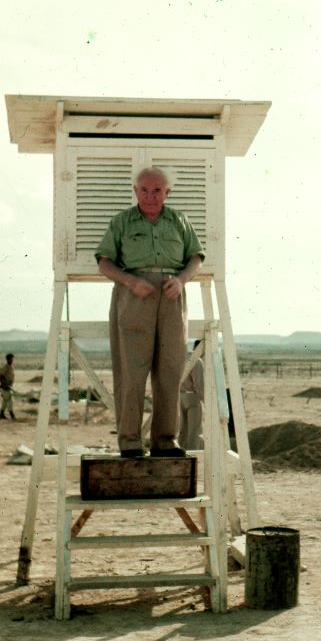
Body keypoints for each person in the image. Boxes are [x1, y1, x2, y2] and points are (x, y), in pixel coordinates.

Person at [95, 167, 204, 458]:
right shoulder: (121, 222)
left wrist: (181, 280)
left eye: (157, 190)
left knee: (170, 370)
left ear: (167, 193)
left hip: (171, 295)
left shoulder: (180, 221)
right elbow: (104, 262)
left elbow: (196, 257)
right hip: (135, 294)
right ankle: (130, 441)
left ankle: (165, 441)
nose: (150, 196)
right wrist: (130, 281)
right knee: (132, 371)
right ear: (135, 191)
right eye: (144, 190)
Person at [179, 340, 205, 451]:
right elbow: (199, 386)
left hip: (179, 396)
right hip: (192, 397)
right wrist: (205, 401)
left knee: (182, 430)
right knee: (194, 431)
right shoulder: (197, 361)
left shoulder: (181, 358)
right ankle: (193, 454)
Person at [0, 353, 17, 420]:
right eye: (11, 359)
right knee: (9, 400)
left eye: (12, 359)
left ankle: (1, 414)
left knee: (5, 401)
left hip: (9, 385)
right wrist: (3, 384)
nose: (12, 360)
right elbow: (0, 376)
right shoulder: (5, 367)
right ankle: (12, 415)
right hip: (6, 387)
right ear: (8, 359)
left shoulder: (11, 367)